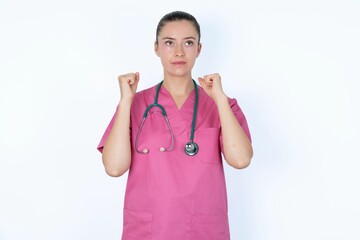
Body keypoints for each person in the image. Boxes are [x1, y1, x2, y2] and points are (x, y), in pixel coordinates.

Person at [97, 10, 253, 240]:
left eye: (188, 43)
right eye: (169, 43)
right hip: (150, 231)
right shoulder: (134, 104)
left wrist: (219, 99)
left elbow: (240, 160)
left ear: (199, 49)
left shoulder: (222, 105)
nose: (179, 52)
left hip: (203, 230)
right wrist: (125, 102)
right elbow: (114, 168)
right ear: (156, 48)